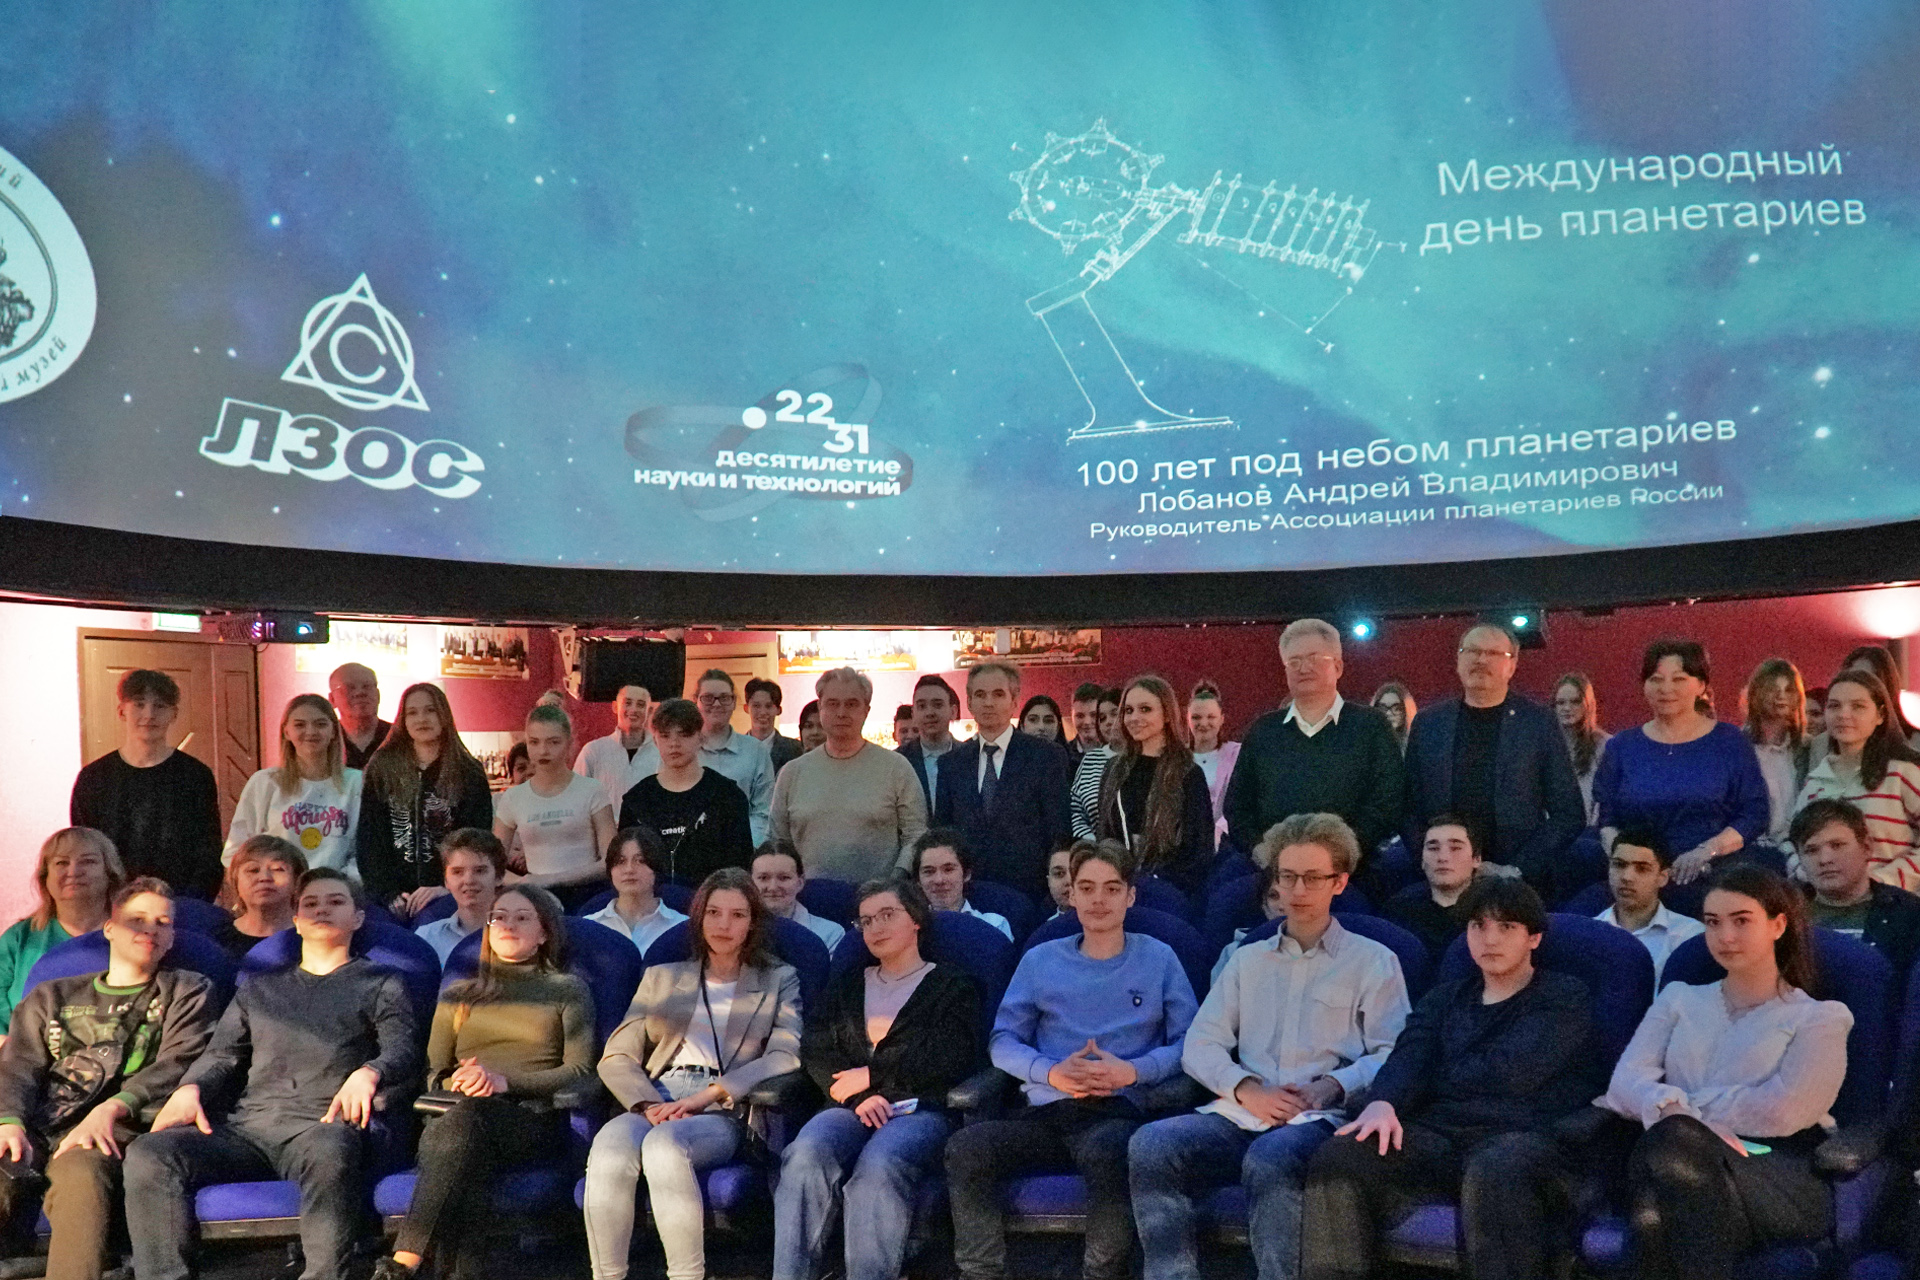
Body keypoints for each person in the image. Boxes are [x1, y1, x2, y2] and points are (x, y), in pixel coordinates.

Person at [1130, 813, 1411, 1280]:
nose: (1297, 890)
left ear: (1339, 883)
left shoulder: (1374, 961)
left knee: (1271, 1157)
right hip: (1246, 1109)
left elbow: (1394, 1053)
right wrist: (1245, 1089)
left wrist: (1333, 1085)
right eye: (1287, 877)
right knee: (1152, 1143)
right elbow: (1200, 1044)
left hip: (1321, 1116)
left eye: (1312, 878)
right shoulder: (1247, 961)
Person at [124, 868, 420, 1280]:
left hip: (321, 1126)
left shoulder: (382, 981)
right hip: (250, 1129)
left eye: (335, 901)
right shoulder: (259, 988)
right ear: (295, 921)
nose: (321, 910)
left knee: (331, 1149)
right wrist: (191, 1088)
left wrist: (371, 1071)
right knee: (150, 1152)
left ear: (357, 918)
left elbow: (403, 1049)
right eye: (310, 904)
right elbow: (221, 1054)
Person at [1301, 878, 1597, 1280]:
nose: (1489, 939)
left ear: (1534, 938)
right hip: (1441, 1133)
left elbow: (1510, 1073)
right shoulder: (1445, 997)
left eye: (1506, 927)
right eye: (1478, 926)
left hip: (1524, 1135)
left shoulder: (1565, 996)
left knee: (1495, 1169)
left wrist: (1429, 1078)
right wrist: (1383, 1101)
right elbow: (1410, 1055)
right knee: (1342, 1155)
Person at [944, 841, 1198, 1280]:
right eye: (1087, 888)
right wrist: (1051, 1072)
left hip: (1117, 1112)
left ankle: (1100, 1275)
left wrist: (1134, 1070)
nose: (1098, 899)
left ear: (1130, 897)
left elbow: (1189, 1044)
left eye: (1112, 888)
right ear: (1072, 894)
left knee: (1109, 1152)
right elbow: (1003, 1041)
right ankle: (980, 1274)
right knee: (966, 1148)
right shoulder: (1040, 959)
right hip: (1045, 1112)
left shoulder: (1160, 958)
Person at [1598, 864, 1853, 1280]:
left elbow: (1788, 1110)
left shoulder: (1819, 1018)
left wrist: (1678, 1109)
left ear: (1778, 926)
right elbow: (1623, 1084)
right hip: (1677, 1163)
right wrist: (1667, 1110)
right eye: (1713, 922)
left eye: (1741, 921)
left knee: (1668, 1162)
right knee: (1663, 1192)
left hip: (1776, 1171)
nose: (1725, 936)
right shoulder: (1679, 998)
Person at [584, 868, 803, 1280]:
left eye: (737, 915)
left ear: (752, 923)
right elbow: (616, 1055)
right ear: (699, 918)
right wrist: (647, 1103)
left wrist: (711, 1094)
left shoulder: (779, 979)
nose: (724, 925)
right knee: (609, 1145)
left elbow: (784, 1055)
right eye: (714, 913)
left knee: (665, 1146)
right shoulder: (662, 977)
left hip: (722, 1106)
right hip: (657, 1095)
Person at [370, 885, 593, 1280]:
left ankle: (402, 1263)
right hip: (455, 1114)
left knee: (463, 1129)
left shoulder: (567, 989)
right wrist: (457, 1080)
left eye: (522, 917)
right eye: (499, 917)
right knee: (463, 1141)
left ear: (544, 932)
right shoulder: (459, 994)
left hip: (528, 1119)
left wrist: (504, 1082)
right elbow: (433, 1072)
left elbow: (579, 1071)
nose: (508, 925)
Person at [0, 878, 217, 1280]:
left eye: (163, 922)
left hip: (116, 1131)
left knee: (82, 1174)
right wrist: (9, 1122)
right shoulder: (50, 995)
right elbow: (18, 1065)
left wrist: (112, 1109)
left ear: (172, 937)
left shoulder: (186, 989)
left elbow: (179, 1061)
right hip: (39, 1126)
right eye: (137, 919)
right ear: (110, 928)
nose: (150, 929)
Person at [773, 877, 982, 1280]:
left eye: (887, 915)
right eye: (866, 921)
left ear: (916, 919)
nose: (875, 928)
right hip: (850, 1107)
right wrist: (859, 1098)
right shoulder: (849, 984)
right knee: (804, 1155)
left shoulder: (953, 985)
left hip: (918, 1109)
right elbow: (817, 1049)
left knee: (879, 1165)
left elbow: (950, 1055)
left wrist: (873, 1074)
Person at [1402, 625, 1585, 895]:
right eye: (1472, 651)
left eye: (1493, 653)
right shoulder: (1429, 723)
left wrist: (1517, 869)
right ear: (1458, 660)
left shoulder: (1538, 723)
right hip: (1440, 883)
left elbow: (1568, 814)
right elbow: (1407, 806)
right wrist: (1436, 860)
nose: (1481, 660)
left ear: (1512, 666)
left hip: (1517, 883)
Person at [1593, 640, 1772, 902]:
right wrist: (1631, 863)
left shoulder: (1730, 741)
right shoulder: (1622, 746)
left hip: (1712, 876)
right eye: (1656, 679)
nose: (1666, 689)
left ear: (1701, 686)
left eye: (1679, 679)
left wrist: (1707, 851)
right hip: (1637, 881)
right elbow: (1607, 819)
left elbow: (1754, 814)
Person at [1224, 620, 1406, 865]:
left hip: (1353, 869)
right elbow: (1237, 807)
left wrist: (1340, 853)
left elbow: (1388, 802)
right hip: (1274, 870)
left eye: (1314, 658)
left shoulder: (1372, 726)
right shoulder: (1262, 731)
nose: (1304, 668)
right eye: (1294, 661)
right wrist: (1260, 850)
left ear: (1338, 667)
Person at [68, 670, 222, 900]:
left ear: (174, 714)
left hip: (179, 905)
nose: (149, 715)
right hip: (110, 905)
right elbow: (85, 850)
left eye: (160, 706)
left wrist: (191, 905)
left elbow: (208, 852)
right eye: (139, 704)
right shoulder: (94, 778)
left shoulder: (196, 776)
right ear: (121, 711)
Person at [771, 669, 929, 884]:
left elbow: (915, 835)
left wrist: (894, 881)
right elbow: (778, 842)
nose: (841, 712)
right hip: (806, 898)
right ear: (820, 707)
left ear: (866, 710)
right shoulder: (792, 773)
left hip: (879, 898)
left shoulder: (896, 768)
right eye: (833, 704)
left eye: (851, 704)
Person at [356, 682, 495, 918]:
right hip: (390, 896)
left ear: (444, 715)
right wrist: (387, 893)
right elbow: (369, 838)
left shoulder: (468, 771)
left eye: (430, 710)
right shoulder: (383, 768)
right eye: (412, 712)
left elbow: (477, 839)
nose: (421, 719)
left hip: (449, 894)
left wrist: (445, 887)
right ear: (403, 720)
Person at [935, 662, 1072, 901]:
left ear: (1014, 700)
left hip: (1030, 892)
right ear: (969, 702)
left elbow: (1059, 830)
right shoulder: (951, 763)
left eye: (998, 694)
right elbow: (943, 833)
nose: (988, 702)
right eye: (980, 695)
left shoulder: (1046, 756)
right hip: (968, 892)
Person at [1793, 669, 1920, 890]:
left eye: (1858, 706)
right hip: (1827, 902)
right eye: (1834, 706)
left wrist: (1886, 879)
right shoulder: (1816, 781)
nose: (1844, 714)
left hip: (1892, 900)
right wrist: (1804, 870)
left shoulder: (1901, 773)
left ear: (1880, 715)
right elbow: (1792, 841)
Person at [1095, 675, 1214, 896]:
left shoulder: (1188, 773)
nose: (1134, 718)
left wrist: (1159, 882)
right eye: (1128, 710)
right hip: (1117, 887)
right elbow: (1104, 833)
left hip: (1171, 890)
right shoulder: (1113, 769)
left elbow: (1200, 848)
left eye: (1145, 709)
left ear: (1167, 714)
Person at [617, 699, 755, 887]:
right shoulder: (637, 800)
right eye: (665, 735)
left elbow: (740, 868)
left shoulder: (727, 796)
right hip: (651, 901)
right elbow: (625, 865)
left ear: (701, 738)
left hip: (711, 900)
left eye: (684, 735)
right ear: (655, 739)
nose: (674, 744)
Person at [0, 830, 124, 1038]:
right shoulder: (19, 939)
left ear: (110, 873)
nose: (73, 871)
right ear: (45, 877)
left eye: (88, 861)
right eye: (61, 863)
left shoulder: (134, 937)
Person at [224, 694, 363, 876]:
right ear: (286, 732)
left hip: (336, 887)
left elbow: (366, 850)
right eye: (299, 725)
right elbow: (237, 850)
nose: (311, 732)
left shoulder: (357, 783)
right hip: (276, 887)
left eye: (320, 724)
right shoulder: (264, 782)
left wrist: (334, 884)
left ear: (334, 732)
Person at [491, 704, 615, 902]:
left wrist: (550, 880)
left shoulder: (592, 790)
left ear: (569, 743)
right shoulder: (513, 798)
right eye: (534, 742)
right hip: (537, 898)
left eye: (553, 742)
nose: (543, 751)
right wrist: (525, 883)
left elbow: (610, 861)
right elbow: (493, 866)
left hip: (588, 895)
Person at [1791, 798, 1920, 975]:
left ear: (1867, 847)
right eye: (1811, 850)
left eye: (1837, 845)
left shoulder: (1908, 914)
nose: (1825, 859)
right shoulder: (1783, 916)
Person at [1592, 827, 1705, 981]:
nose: (1627, 877)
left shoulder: (1689, 936)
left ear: (1662, 877)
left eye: (1642, 869)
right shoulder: (1589, 933)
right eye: (1619, 865)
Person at [1382, 815, 1484, 963]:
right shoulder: (1398, 910)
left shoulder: (1491, 911)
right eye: (1433, 848)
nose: (1443, 857)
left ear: (1476, 859)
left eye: (1455, 848)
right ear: (1422, 861)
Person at [692, 670, 775, 846]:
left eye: (724, 698)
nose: (716, 704)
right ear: (695, 702)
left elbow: (763, 811)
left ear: (734, 702)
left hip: (744, 849)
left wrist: (745, 848)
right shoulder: (684, 750)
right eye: (708, 698)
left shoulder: (756, 751)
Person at [585, 827, 689, 956]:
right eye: (620, 861)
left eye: (640, 861)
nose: (629, 869)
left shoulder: (683, 927)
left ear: (657, 867)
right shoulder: (588, 927)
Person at [1743, 659, 1811, 847]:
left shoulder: (1807, 748)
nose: (1781, 696)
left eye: (1788, 690)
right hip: (1755, 848)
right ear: (1756, 693)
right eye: (1772, 689)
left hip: (1800, 847)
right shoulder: (1739, 747)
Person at [413, 829, 506, 966]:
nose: (468, 880)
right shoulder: (427, 937)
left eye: (480, 871)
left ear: (499, 877)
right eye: (457, 872)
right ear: (446, 881)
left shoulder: (517, 935)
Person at [213, 835, 306, 960]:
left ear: (297, 880)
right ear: (236, 881)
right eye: (253, 870)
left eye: (277, 869)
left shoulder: (313, 938)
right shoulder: (216, 939)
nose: (264, 877)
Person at [574, 685, 661, 816]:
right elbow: (577, 800)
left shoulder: (661, 753)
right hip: (605, 828)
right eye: (628, 703)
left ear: (649, 711)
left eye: (641, 705)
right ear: (615, 707)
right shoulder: (593, 752)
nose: (633, 710)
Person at [909, 829, 1012, 939]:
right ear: (918, 880)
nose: (939, 880)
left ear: (966, 874)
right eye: (929, 872)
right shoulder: (907, 929)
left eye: (948, 869)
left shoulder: (995, 925)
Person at [750, 842, 845, 952]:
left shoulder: (830, 934)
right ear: (750, 882)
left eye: (784, 878)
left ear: (800, 883)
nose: (773, 887)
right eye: (763, 878)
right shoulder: (736, 929)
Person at [1552, 673, 1611, 826]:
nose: (1567, 708)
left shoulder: (1606, 746)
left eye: (1575, 702)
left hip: (1591, 831)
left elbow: (1606, 799)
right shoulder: (1544, 745)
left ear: (1587, 704)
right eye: (1561, 703)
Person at [898, 675, 960, 816]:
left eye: (937, 705)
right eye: (922, 706)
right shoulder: (898, 761)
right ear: (914, 714)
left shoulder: (972, 758)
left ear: (953, 712)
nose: (930, 713)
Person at [1188, 681, 1239, 848]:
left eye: (1211, 717)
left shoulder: (1237, 754)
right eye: (1196, 717)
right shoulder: (1177, 758)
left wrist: (1218, 832)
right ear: (1188, 719)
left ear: (1222, 719)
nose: (1203, 723)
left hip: (1227, 843)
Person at [1069, 689, 1126, 839]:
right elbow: (1076, 810)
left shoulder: (1144, 757)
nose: (1108, 722)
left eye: (1115, 714)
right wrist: (1091, 843)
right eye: (1102, 718)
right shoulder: (1090, 759)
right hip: (1095, 846)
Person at [1841, 644, 1920, 744]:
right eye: (1852, 679)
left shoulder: (1914, 742)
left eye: (1867, 680)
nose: (1858, 687)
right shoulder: (1828, 742)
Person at [328, 663, 391, 774]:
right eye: (349, 688)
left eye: (367, 686)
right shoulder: (325, 740)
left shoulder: (399, 737)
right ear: (332, 699)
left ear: (378, 695)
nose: (360, 693)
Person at [744, 678, 804, 774]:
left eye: (768, 706)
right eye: (756, 706)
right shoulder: (733, 749)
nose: (763, 712)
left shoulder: (796, 749)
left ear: (779, 710)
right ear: (746, 708)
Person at [1067, 681, 1107, 775]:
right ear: (1071, 716)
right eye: (1080, 716)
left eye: (1094, 715)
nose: (1087, 722)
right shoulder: (1062, 755)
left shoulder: (1119, 754)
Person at [1370, 682, 1417, 755]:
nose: (1389, 713)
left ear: (1407, 711)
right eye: (1382, 708)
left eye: (1396, 708)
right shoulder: (1366, 744)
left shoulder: (1416, 745)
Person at [1044, 839, 1077, 919]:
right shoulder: (1048, 926)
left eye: (1076, 871)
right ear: (1049, 881)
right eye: (1059, 873)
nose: (1069, 880)